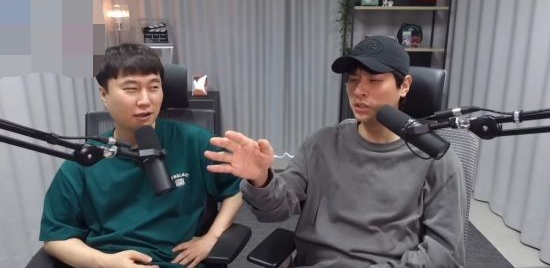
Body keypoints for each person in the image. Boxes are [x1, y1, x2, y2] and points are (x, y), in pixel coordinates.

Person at [205, 36, 465, 268]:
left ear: (405, 85)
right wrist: (261, 179)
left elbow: (445, 254)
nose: (359, 91)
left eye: (374, 80)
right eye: (353, 79)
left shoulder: (435, 159)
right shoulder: (322, 143)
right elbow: (278, 209)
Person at [40, 44, 242, 268]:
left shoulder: (195, 142)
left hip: (175, 261)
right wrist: (106, 262)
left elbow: (237, 189)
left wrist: (211, 237)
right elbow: (55, 237)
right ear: (104, 94)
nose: (145, 100)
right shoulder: (86, 160)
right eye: (131, 89)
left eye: (154, 87)